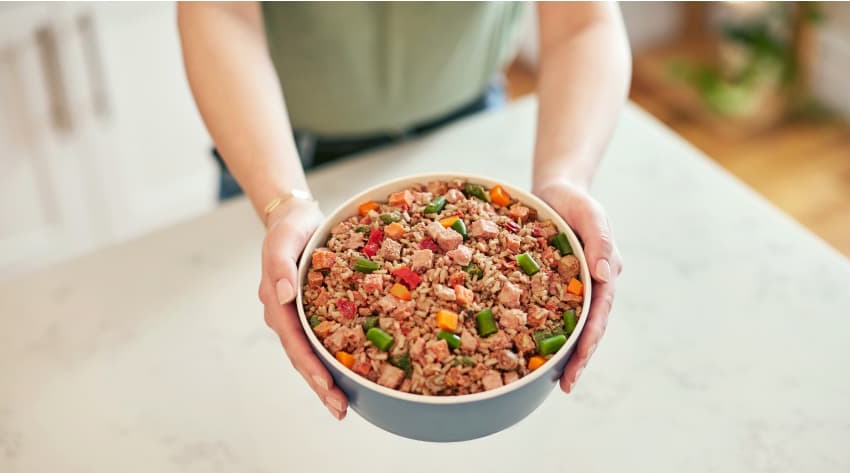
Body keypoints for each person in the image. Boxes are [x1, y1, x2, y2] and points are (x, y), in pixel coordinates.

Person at [178, 2, 629, 420]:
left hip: (475, 122)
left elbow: (582, 21)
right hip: (272, 151)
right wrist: (284, 204)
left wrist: (564, 179)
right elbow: (219, 9)